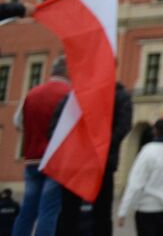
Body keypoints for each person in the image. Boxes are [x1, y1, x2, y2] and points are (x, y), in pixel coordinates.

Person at [53, 80, 133, 236]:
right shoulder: (119, 95)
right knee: (101, 215)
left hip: (77, 163)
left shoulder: (74, 94)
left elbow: (55, 128)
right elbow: (123, 126)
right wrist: (104, 146)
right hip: (99, 163)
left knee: (68, 214)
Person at [11, 55, 69, 236]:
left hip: (32, 160)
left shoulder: (32, 93)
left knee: (27, 211)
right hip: (56, 162)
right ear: (68, 71)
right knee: (48, 212)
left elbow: (17, 122)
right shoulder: (69, 94)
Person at [117, 117, 163, 236]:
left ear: (155, 131)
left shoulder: (148, 151)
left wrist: (123, 211)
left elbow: (135, 183)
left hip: (147, 208)